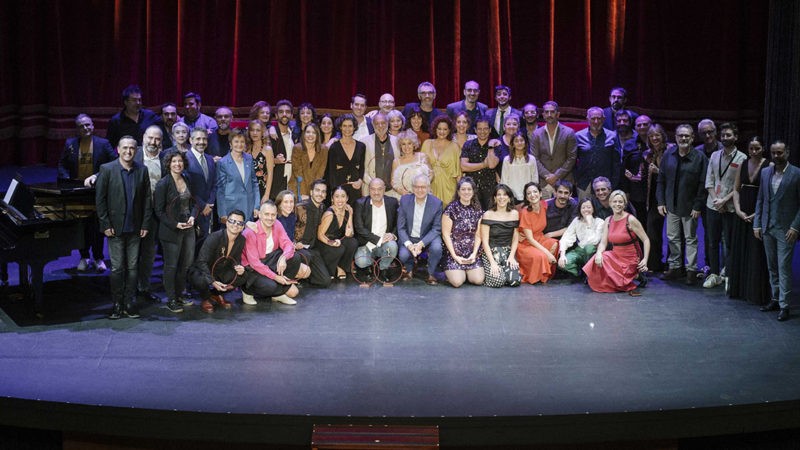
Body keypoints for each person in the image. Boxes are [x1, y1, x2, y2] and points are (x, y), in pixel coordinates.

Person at [95, 136, 152, 319]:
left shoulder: (142, 170)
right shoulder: (107, 169)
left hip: (135, 228)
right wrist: (105, 224)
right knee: (117, 268)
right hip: (115, 229)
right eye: (125, 148)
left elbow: (147, 200)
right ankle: (117, 303)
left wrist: (145, 223)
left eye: (132, 148)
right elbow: (100, 199)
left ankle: (129, 302)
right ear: (118, 149)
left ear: (136, 150)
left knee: (133, 268)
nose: (128, 151)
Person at [58, 113, 116, 272]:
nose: (85, 128)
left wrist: (97, 176)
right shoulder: (70, 143)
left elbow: (114, 163)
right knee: (80, 226)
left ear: (93, 125)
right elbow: (62, 164)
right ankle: (84, 256)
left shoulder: (103, 144)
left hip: (97, 191)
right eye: (81, 126)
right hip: (77, 192)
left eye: (88, 125)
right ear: (77, 129)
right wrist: (66, 178)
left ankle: (98, 258)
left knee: (97, 227)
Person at [657, 124, 708, 285]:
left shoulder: (700, 158)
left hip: (690, 206)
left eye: (687, 136)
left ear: (692, 138)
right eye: (680, 135)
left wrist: (698, 205)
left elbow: (703, 183)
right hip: (671, 205)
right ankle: (675, 267)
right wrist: (661, 202)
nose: (683, 138)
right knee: (672, 237)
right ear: (676, 137)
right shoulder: (668, 155)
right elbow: (661, 179)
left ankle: (691, 270)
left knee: (691, 238)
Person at [754, 141, 800, 322]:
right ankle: (775, 298)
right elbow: (761, 200)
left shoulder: (797, 174)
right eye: (774, 153)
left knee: (784, 268)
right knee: (772, 266)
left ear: (787, 152)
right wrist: (757, 224)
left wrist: (795, 226)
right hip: (767, 227)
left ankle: (785, 305)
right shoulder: (766, 172)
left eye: (780, 152)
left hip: (786, 229)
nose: (776, 156)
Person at [727, 136, 771, 305]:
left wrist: (757, 214)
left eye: (757, 148)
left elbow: (769, 194)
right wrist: (738, 209)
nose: (754, 152)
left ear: (763, 148)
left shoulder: (769, 165)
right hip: (743, 213)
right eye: (751, 148)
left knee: (756, 252)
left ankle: (755, 293)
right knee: (741, 250)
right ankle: (741, 290)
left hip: (758, 212)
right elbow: (736, 189)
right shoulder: (743, 164)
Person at [703, 123, 746, 289]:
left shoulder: (742, 158)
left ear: (735, 137)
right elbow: (709, 181)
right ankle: (714, 274)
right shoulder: (714, 156)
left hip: (730, 206)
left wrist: (724, 201)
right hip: (712, 205)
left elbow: (739, 186)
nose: (725, 138)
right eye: (723, 135)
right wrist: (716, 200)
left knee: (728, 242)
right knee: (712, 241)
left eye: (729, 135)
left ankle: (728, 274)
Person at [242, 201, 309, 305]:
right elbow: (255, 263)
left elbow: (288, 244)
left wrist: (283, 258)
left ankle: (277, 293)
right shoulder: (250, 232)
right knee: (271, 286)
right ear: (259, 214)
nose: (270, 218)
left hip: (269, 260)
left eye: (273, 215)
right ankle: (248, 292)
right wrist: (276, 277)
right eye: (266, 214)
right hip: (253, 268)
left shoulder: (277, 224)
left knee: (295, 258)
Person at [154, 151, 196, 313]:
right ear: (168, 164)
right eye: (174, 161)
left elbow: (192, 203)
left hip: (188, 227)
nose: (177, 164)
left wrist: (193, 216)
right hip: (171, 230)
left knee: (185, 264)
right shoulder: (163, 183)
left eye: (180, 161)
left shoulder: (187, 178)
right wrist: (175, 224)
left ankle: (180, 294)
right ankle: (171, 298)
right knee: (171, 266)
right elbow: (159, 211)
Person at [583, 190, 650, 294]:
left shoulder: (630, 220)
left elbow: (646, 240)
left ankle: (636, 275)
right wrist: (599, 254)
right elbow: (603, 243)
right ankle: (630, 277)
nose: (617, 204)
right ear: (610, 203)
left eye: (620, 202)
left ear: (624, 204)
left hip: (630, 258)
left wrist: (645, 259)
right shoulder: (608, 220)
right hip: (616, 255)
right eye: (615, 202)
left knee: (616, 282)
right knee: (599, 258)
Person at [187, 209, 247, 313]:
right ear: (227, 222)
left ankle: (216, 294)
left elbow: (235, 260)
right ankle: (205, 298)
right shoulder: (215, 237)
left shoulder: (241, 240)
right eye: (232, 221)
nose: (235, 225)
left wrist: (239, 268)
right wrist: (212, 281)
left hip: (220, 269)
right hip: (201, 269)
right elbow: (201, 262)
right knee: (201, 280)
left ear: (243, 226)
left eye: (239, 223)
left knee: (244, 275)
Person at [133, 125, 164, 305]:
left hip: (154, 215)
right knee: (131, 254)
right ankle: (128, 289)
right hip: (134, 214)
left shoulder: (165, 158)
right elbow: (113, 167)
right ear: (143, 137)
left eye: (157, 139)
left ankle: (143, 288)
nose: (153, 142)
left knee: (148, 254)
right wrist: (97, 176)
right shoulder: (133, 153)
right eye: (150, 138)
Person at [397, 175, 443, 285]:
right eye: (417, 187)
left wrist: (421, 244)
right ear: (412, 188)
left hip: (427, 237)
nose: (420, 190)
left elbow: (436, 228)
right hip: (409, 237)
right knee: (403, 254)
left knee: (437, 248)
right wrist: (409, 245)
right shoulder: (405, 200)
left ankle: (431, 273)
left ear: (428, 188)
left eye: (423, 187)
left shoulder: (437, 203)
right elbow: (401, 227)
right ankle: (409, 269)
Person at [441, 177, 484, 287]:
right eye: (463, 189)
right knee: (457, 282)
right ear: (458, 192)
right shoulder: (450, 209)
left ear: (473, 192)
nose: (466, 192)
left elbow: (479, 235)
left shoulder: (478, 209)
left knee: (478, 280)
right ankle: (456, 272)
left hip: (472, 253)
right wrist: (455, 256)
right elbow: (445, 235)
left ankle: (466, 272)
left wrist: (474, 255)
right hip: (454, 253)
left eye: (469, 189)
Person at [353, 178, 399, 277]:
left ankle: (383, 268)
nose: (376, 192)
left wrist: (392, 235)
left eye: (379, 189)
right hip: (366, 243)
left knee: (392, 246)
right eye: (373, 189)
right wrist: (379, 240)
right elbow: (359, 228)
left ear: (384, 189)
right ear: (369, 190)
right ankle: (370, 264)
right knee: (361, 262)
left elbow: (397, 223)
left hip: (386, 243)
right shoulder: (360, 204)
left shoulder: (392, 203)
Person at [531, 101, 577, 199]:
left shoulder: (569, 132)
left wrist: (556, 176)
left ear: (558, 114)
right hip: (544, 182)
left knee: (565, 213)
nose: (549, 115)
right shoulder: (536, 134)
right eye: (546, 112)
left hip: (564, 181)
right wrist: (547, 176)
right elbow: (534, 158)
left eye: (552, 112)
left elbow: (572, 158)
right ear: (543, 115)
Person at [640, 124, 670, 273]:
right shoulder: (648, 154)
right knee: (652, 232)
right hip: (653, 197)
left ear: (663, 136)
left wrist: (658, 171)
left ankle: (673, 265)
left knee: (673, 234)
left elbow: (673, 174)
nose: (654, 138)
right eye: (651, 136)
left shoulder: (672, 151)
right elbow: (644, 176)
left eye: (657, 135)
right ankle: (654, 264)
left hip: (670, 196)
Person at [516, 182, 558, 284]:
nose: (532, 195)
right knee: (541, 256)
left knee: (555, 244)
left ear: (540, 194)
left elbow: (554, 200)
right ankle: (536, 273)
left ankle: (543, 269)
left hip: (539, 237)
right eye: (529, 193)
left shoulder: (543, 205)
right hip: (525, 242)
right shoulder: (525, 212)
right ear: (526, 197)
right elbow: (530, 239)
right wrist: (548, 254)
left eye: (535, 192)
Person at [480, 184, 521, 287]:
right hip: (491, 251)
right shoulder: (488, 214)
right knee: (498, 282)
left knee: (515, 281)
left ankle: (502, 271)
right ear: (494, 198)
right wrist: (492, 263)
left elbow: (515, 238)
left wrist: (512, 256)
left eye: (505, 195)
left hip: (507, 251)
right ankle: (490, 273)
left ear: (509, 198)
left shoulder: (515, 214)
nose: (501, 197)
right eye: (498, 195)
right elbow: (484, 241)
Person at [574, 107, 620, 199]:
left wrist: (613, 183)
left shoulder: (612, 136)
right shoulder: (578, 136)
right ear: (587, 119)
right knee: (585, 211)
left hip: (605, 184)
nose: (596, 121)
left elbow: (617, 162)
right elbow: (573, 160)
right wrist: (576, 179)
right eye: (593, 118)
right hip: (584, 183)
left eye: (599, 118)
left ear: (603, 119)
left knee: (604, 212)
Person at [216, 128, 260, 222]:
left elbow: (254, 183)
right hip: (232, 208)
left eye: (242, 141)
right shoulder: (223, 163)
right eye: (236, 141)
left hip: (249, 206)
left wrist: (256, 206)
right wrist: (222, 213)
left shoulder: (249, 159)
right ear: (230, 144)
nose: (239, 144)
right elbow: (220, 190)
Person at [294, 179, 333, 287]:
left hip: (312, 249)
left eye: (323, 191)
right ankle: (296, 276)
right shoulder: (299, 208)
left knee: (325, 281)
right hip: (298, 247)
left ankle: (306, 275)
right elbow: (287, 228)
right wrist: (293, 243)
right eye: (317, 190)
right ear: (311, 192)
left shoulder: (322, 208)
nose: (320, 194)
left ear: (325, 195)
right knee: (306, 256)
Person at [316, 186, 358, 280]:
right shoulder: (329, 214)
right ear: (332, 198)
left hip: (338, 241)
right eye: (337, 196)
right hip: (324, 243)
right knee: (339, 249)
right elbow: (319, 235)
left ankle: (340, 267)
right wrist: (331, 243)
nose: (340, 199)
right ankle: (331, 269)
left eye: (343, 196)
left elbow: (350, 234)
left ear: (347, 198)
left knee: (353, 242)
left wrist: (351, 214)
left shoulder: (347, 211)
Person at [461, 115, 500, 209]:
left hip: (489, 188)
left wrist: (490, 146)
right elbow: (463, 167)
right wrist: (484, 164)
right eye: (479, 129)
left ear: (490, 130)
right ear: (475, 130)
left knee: (489, 217)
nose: (482, 132)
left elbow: (491, 165)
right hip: (471, 188)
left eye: (485, 129)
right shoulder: (468, 144)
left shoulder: (496, 145)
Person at [558, 198, 605, 277]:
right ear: (580, 209)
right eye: (583, 207)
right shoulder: (576, 220)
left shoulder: (599, 222)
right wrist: (562, 255)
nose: (586, 210)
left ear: (593, 209)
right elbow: (567, 236)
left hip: (593, 250)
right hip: (580, 249)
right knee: (563, 263)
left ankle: (590, 271)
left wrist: (589, 224)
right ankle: (580, 273)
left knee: (589, 248)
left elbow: (594, 241)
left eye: (589, 207)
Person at [327, 114, 366, 207]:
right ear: (340, 127)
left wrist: (360, 181)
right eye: (344, 126)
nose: (347, 129)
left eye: (350, 126)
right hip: (339, 189)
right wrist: (334, 192)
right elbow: (331, 172)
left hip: (355, 188)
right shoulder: (334, 147)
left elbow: (362, 167)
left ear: (354, 127)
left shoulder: (361, 146)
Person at [184, 128, 216, 240]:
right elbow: (187, 188)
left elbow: (214, 184)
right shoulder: (184, 159)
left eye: (204, 139)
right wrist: (202, 205)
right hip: (193, 210)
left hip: (208, 210)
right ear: (190, 140)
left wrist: (210, 203)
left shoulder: (210, 159)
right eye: (198, 139)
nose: (201, 142)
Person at [421, 115, 461, 203]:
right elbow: (420, 167)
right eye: (439, 128)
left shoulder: (454, 146)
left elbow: (458, 174)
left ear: (449, 130)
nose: (442, 131)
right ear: (435, 129)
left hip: (449, 189)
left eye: (445, 129)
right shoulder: (427, 144)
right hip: (429, 187)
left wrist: (459, 194)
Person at [360, 112, 398, 198]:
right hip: (371, 189)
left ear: (388, 124)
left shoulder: (397, 141)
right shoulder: (364, 142)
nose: (380, 126)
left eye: (383, 123)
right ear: (373, 125)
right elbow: (361, 167)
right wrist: (373, 184)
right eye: (377, 123)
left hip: (392, 191)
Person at [289, 122, 328, 201]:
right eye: (308, 132)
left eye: (314, 133)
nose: (310, 135)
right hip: (298, 187)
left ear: (317, 135)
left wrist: (313, 193)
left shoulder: (324, 149)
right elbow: (298, 173)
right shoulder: (297, 148)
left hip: (315, 190)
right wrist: (303, 194)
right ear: (304, 134)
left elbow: (320, 173)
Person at [501, 131, 538, 203]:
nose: (519, 143)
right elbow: (504, 180)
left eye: (521, 140)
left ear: (525, 142)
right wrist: (507, 196)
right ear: (513, 144)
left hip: (528, 196)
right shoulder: (507, 160)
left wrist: (532, 194)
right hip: (512, 196)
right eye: (516, 141)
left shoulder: (532, 159)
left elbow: (535, 179)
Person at [391, 130, 431, 197]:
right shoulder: (396, 161)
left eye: (409, 143)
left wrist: (422, 186)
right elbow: (393, 182)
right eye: (403, 144)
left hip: (423, 194)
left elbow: (431, 174)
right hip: (403, 197)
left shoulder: (422, 157)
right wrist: (400, 191)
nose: (406, 147)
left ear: (414, 144)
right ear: (400, 146)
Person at [270, 100, 295, 198]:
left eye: (288, 112)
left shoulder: (294, 134)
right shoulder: (270, 134)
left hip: (292, 180)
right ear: (276, 116)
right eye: (281, 112)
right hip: (276, 181)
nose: (284, 114)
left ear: (292, 116)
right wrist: (275, 160)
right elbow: (260, 158)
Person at [245, 119, 275, 203]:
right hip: (248, 191)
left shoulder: (267, 149)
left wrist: (266, 195)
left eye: (258, 130)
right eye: (252, 130)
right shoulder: (246, 149)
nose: (254, 133)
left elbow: (270, 174)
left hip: (262, 190)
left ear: (262, 133)